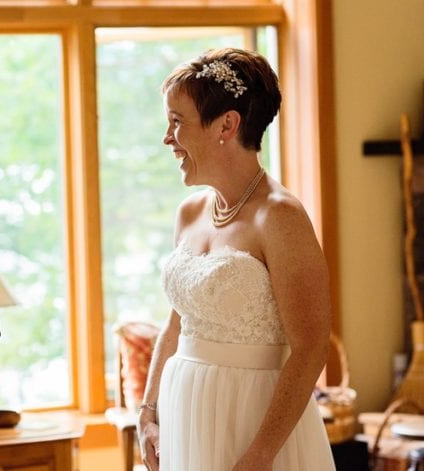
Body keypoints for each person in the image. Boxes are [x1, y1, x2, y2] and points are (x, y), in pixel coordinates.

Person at [136, 47, 335, 470]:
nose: (167, 138)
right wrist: (148, 411)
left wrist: (261, 453)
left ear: (227, 124)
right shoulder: (189, 213)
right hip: (184, 414)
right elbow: (177, 321)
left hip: (253, 421)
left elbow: (311, 347)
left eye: (177, 122)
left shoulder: (280, 217)